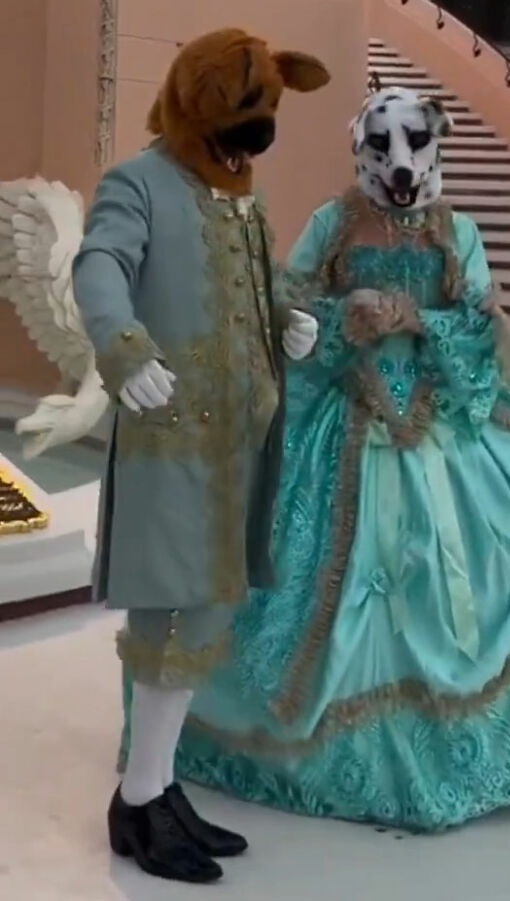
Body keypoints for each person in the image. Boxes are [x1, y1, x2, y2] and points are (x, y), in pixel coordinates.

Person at [141, 87, 510, 832]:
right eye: (383, 147)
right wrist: (340, 320)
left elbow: (481, 328)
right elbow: (285, 314)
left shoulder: (458, 232)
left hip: (444, 422)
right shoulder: (332, 225)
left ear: (436, 144)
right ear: (359, 148)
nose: (400, 164)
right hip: (342, 425)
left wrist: (415, 317)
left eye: (416, 144)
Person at [72, 29, 329, 882]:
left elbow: (260, 278)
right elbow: (100, 261)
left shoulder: (238, 197)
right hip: (172, 446)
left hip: (235, 453)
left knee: (203, 619)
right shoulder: (138, 183)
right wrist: (124, 344)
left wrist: (285, 313)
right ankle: (141, 800)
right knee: (169, 622)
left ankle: (156, 787)